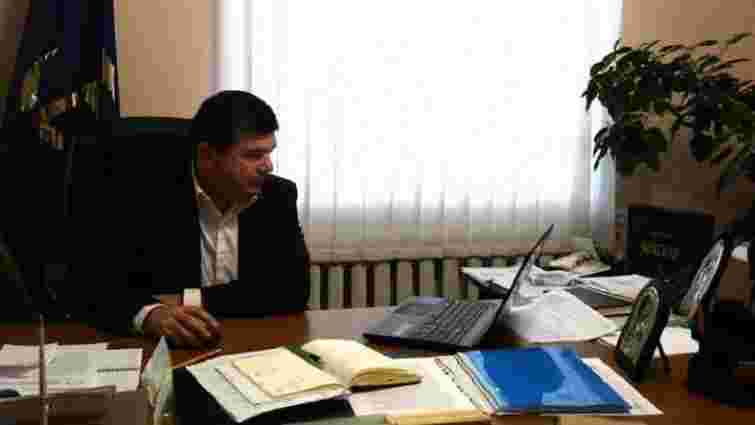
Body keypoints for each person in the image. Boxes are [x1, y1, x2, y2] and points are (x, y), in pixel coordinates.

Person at [84, 91, 310, 347]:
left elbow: (292, 291)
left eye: (269, 153)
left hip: (251, 343)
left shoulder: (277, 196)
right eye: (253, 155)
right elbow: (99, 285)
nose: (268, 166)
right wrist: (151, 315)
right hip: (168, 350)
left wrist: (187, 299)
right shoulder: (145, 196)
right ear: (206, 155)